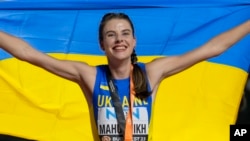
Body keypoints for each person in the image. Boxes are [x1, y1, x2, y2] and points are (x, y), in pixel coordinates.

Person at [0, 12, 249, 141]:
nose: (119, 39)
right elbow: (28, 53)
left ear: (134, 41)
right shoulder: (89, 75)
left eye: (125, 33)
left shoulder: (152, 72)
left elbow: (212, 49)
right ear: (101, 44)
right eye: (111, 34)